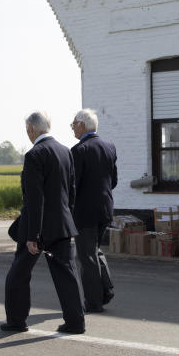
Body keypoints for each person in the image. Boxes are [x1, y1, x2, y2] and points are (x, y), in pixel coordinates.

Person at [1, 111, 86, 335]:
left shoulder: (34, 155)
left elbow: (34, 199)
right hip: (62, 224)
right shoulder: (65, 151)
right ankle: (76, 323)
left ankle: (16, 320)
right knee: (67, 275)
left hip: (36, 228)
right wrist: (68, 218)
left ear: (30, 129)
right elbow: (72, 192)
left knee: (17, 275)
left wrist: (32, 236)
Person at [70, 108, 117, 313]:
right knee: (95, 250)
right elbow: (113, 180)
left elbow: (73, 186)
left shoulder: (78, 151)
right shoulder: (109, 147)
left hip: (85, 212)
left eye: (73, 124)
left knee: (86, 256)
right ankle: (106, 289)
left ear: (82, 125)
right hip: (105, 209)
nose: (72, 128)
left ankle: (93, 301)